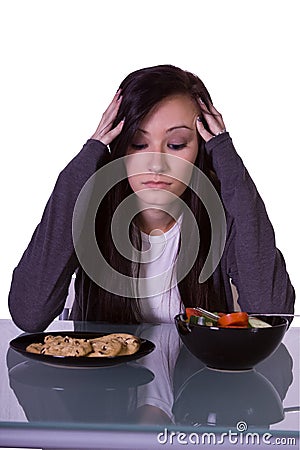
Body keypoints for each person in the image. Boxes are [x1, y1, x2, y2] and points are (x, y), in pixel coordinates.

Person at [8, 65, 295, 332]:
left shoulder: (222, 214)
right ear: (120, 148)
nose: (156, 163)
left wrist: (226, 155)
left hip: (200, 385)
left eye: (176, 144)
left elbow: (271, 314)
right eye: (139, 143)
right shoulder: (92, 211)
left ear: (200, 149)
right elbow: (29, 314)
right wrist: (90, 155)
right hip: (102, 385)